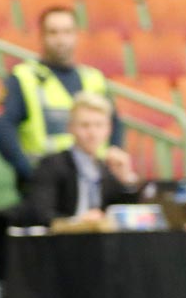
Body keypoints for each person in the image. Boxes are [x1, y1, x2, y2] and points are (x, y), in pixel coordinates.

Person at [0, 6, 119, 189]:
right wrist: (28, 171)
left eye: (67, 32)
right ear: (41, 36)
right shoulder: (25, 77)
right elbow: (1, 126)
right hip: (46, 184)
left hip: (92, 181)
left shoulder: (93, 78)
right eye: (53, 32)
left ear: (76, 35)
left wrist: (111, 163)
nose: (61, 40)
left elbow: (115, 123)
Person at [12, 93, 140, 227]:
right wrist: (78, 222)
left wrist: (127, 181)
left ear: (109, 129)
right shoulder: (52, 165)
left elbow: (127, 217)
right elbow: (39, 213)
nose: (92, 133)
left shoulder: (107, 168)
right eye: (85, 125)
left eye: (99, 125)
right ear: (70, 128)